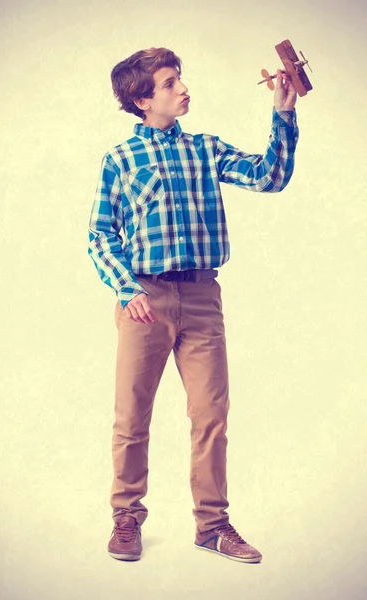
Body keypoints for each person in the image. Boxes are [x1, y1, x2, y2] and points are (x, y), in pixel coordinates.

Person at [88, 47, 299, 564]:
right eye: (169, 83)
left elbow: (269, 176)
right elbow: (99, 235)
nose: (182, 89)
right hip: (145, 300)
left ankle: (212, 526)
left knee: (211, 416)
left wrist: (284, 113)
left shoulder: (205, 148)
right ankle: (126, 518)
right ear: (142, 99)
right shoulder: (120, 159)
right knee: (132, 418)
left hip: (204, 297)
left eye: (180, 79)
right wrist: (127, 289)